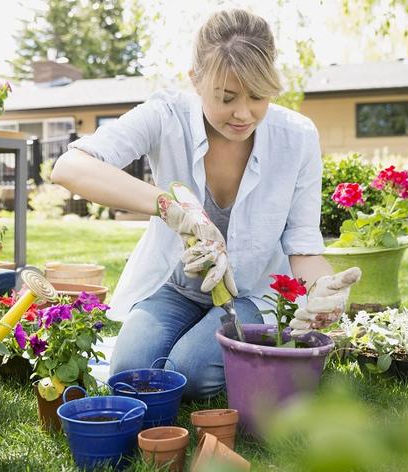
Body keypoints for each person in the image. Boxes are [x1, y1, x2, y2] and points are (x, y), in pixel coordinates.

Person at [51, 9, 355, 400]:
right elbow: (70, 166)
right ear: (196, 80)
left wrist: (322, 288)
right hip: (176, 287)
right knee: (128, 374)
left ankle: (199, 357)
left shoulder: (296, 137)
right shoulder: (165, 116)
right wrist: (170, 207)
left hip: (250, 293)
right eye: (226, 97)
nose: (244, 113)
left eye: (258, 96)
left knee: (192, 375)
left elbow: (303, 246)